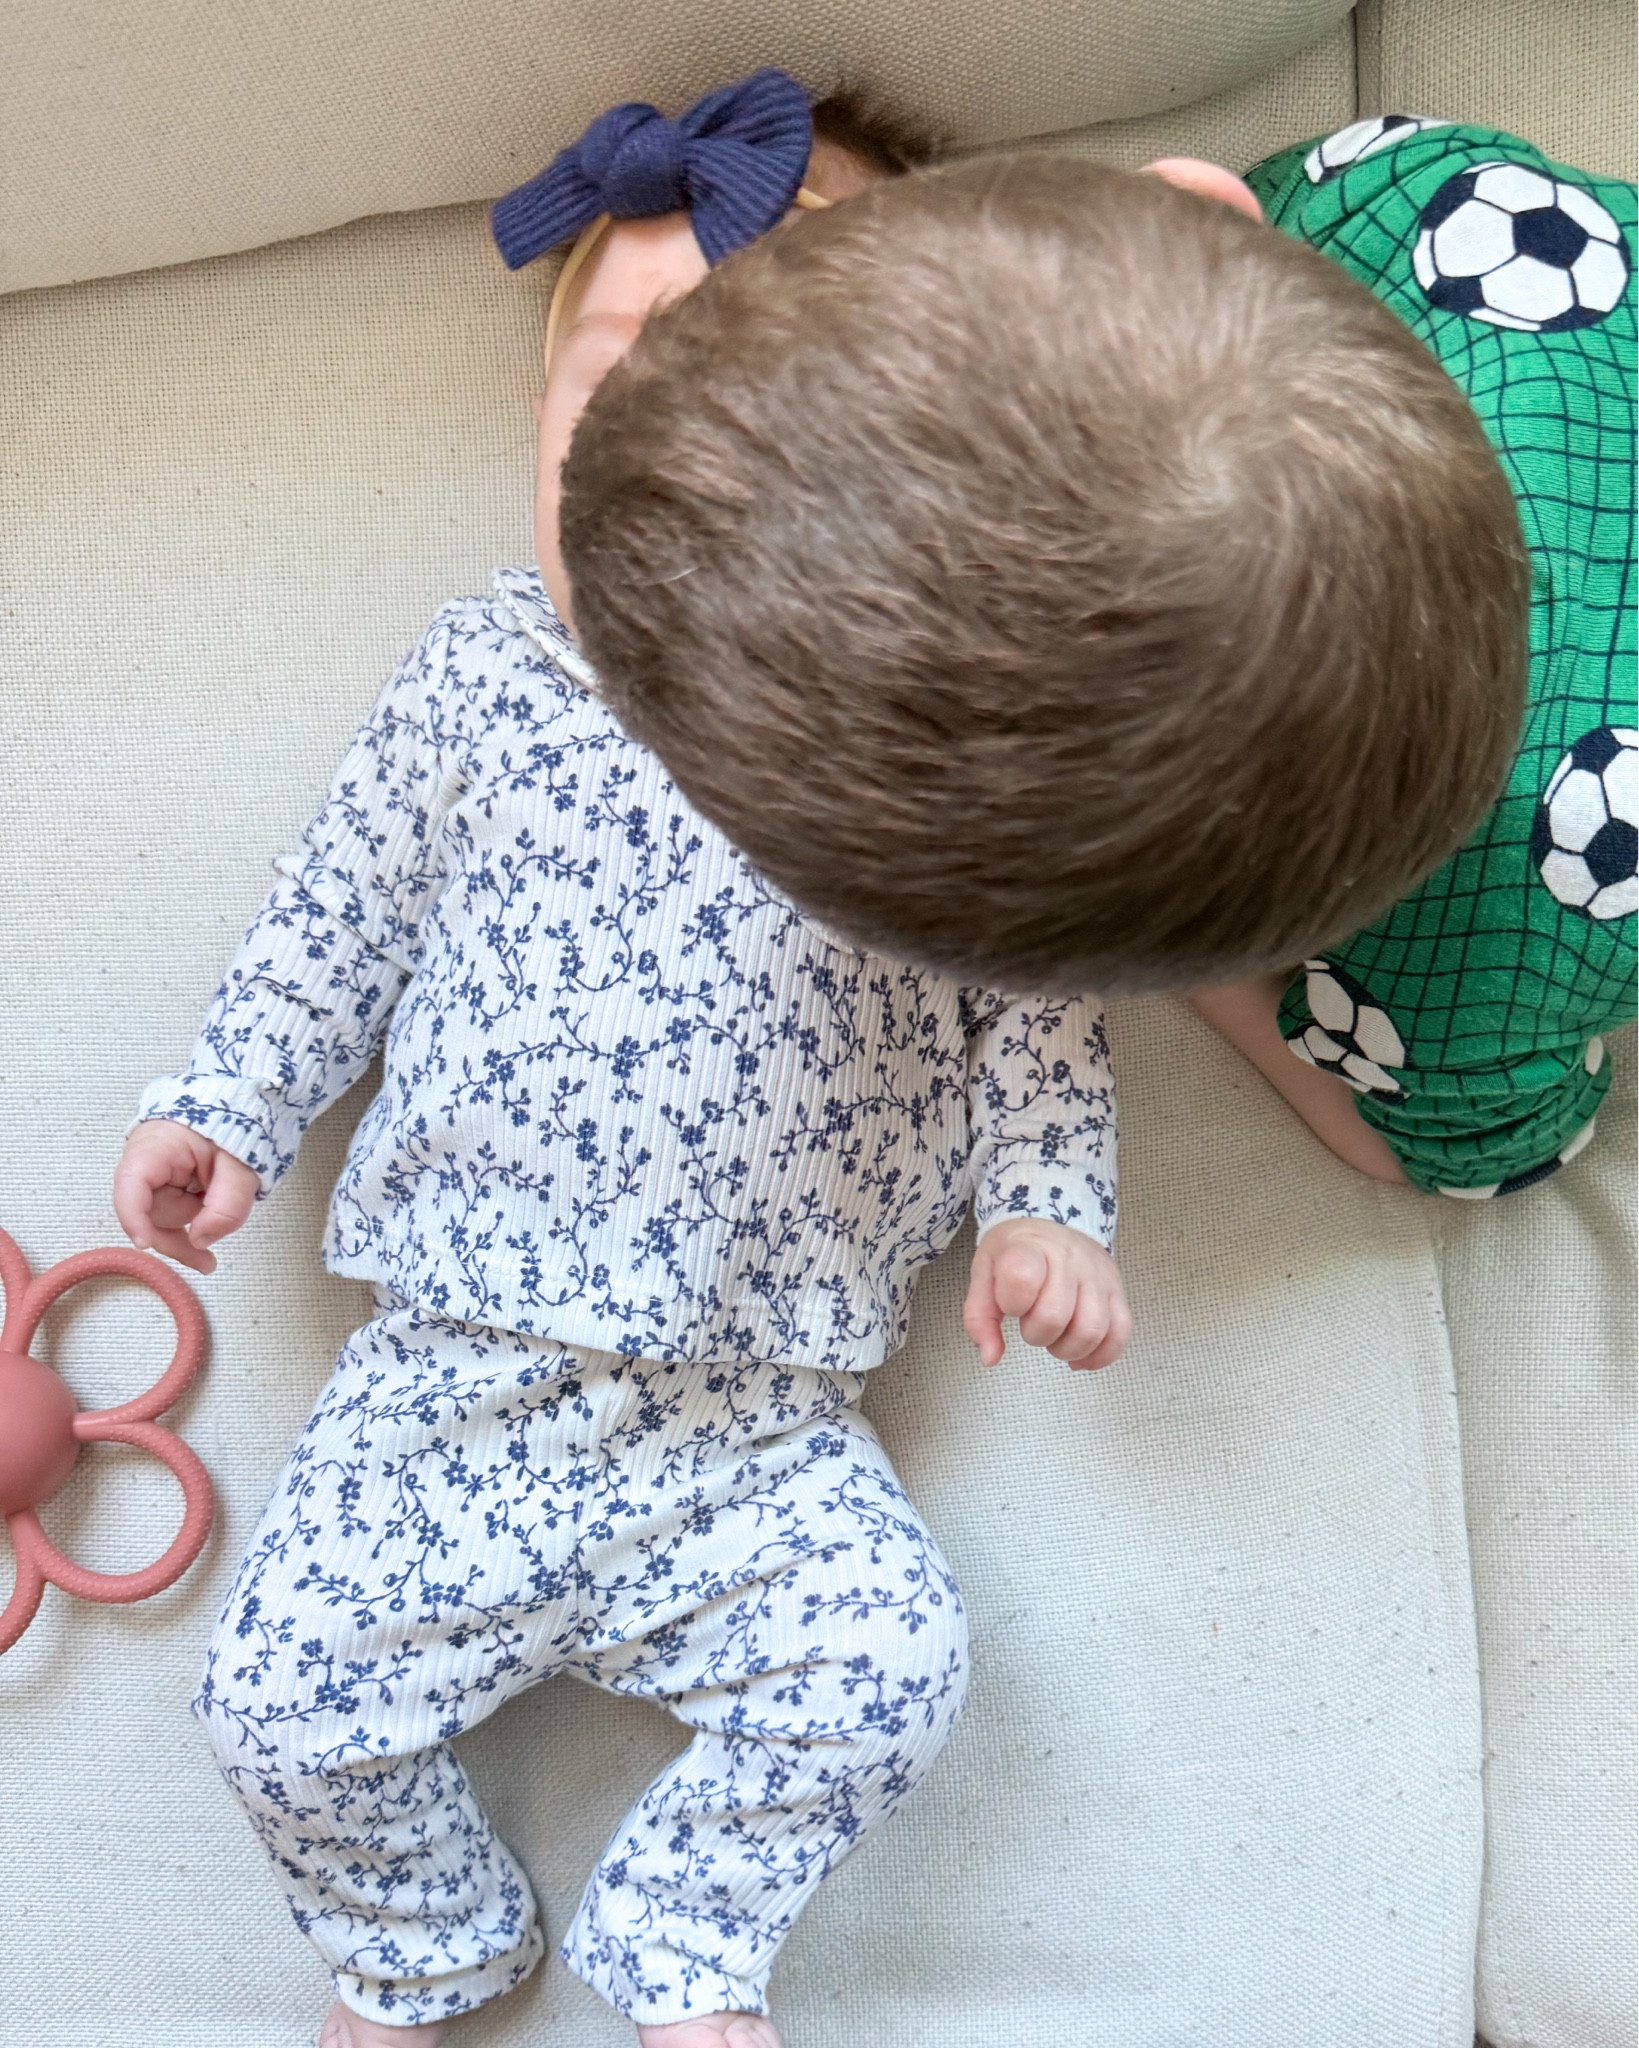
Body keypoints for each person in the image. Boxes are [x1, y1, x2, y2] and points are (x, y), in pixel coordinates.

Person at [111, 73, 1130, 2048]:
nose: (657, 473)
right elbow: (339, 910)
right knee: (268, 1708)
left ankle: (681, 1946)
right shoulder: (486, 671)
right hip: (451, 1384)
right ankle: (420, 1949)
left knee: (889, 1672)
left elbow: (1039, 984)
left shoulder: (936, 748)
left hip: (753, 1429)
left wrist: (1046, 1205)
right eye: (611, 392)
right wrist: (224, 1103)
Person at [558, 119, 1634, 1201]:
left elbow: (1459, 1149)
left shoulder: (1464, 990)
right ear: (1200, 207)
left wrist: (1216, 980)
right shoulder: (1412, 192)